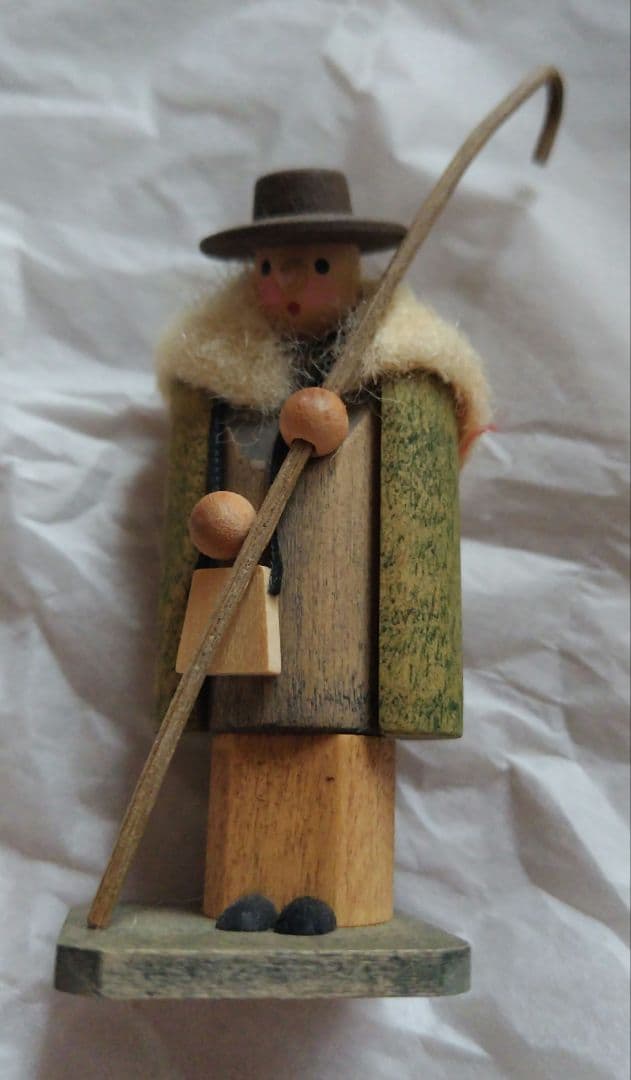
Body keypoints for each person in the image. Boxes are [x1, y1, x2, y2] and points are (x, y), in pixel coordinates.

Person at [155, 169, 491, 934]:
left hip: (348, 646)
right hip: (240, 634)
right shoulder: (220, 384)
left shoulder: (401, 377)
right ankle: (244, 888)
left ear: (352, 267)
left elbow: (417, 499)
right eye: (269, 268)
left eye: (312, 265)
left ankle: (331, 895)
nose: (286, 286)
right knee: (248, 750)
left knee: (337, 753)